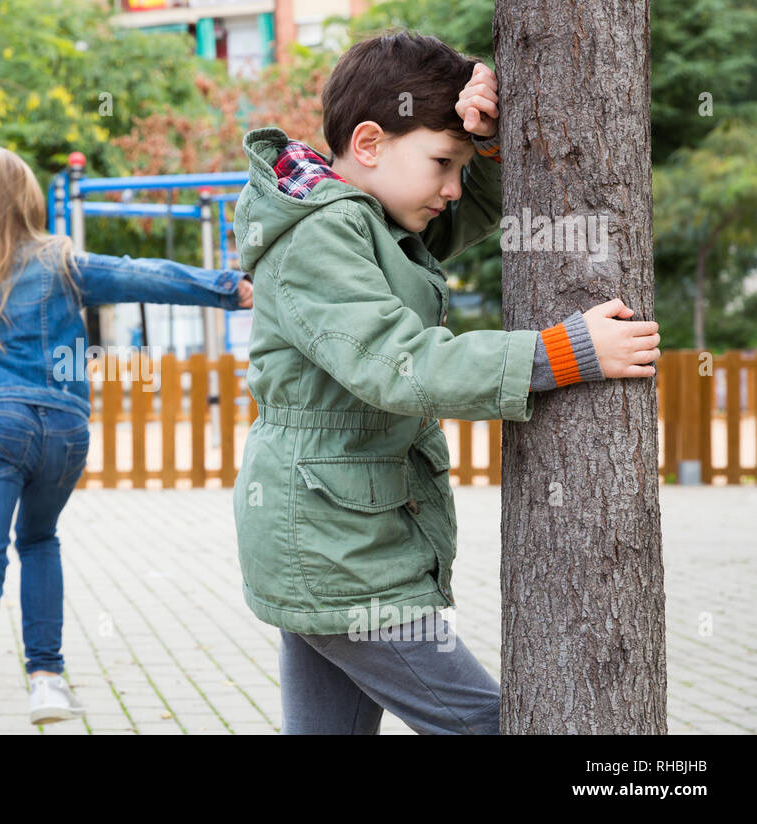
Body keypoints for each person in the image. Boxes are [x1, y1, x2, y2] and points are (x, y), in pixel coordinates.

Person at [231, 31, 662, 734]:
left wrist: (485, 145)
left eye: (459, 166)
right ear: (368, 143)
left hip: (332, 541)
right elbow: (397, 363)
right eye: (442, 163)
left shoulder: (375, 222)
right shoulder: (321, 238)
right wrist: (560, 354)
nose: (453, 187)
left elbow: (475, 210)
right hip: (338, 551)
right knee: (484, 724)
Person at [0, 145, 254, 734]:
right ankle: (46, 681)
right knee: (40, 541)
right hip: (65, 433)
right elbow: (142, 274)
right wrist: (228, 288)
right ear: (25, 202)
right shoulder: (60, 260)